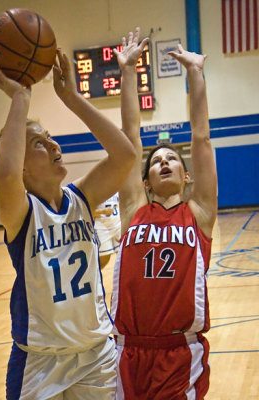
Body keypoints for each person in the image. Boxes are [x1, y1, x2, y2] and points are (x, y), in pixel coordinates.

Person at [0, 38, 146, 399]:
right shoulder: (21, 213)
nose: (55, 146)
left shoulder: (81, 198)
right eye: (40, 143)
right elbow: (6, 176)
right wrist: (19, 100)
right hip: (39, 361)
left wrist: (72, 98)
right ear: (23, 166)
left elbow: (125, 154)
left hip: (95, 354)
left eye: (50, 137)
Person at [111, 38, 217, 399]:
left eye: (172, 159)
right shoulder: (133, 211)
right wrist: (127, 72)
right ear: (145, 181)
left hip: (179, 352)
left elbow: (201, 138)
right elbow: (130, 137)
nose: (164, 162)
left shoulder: (198, 213)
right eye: (157, 161)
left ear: (186, 176)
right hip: (126, 350)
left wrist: (196, 73)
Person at [94, 193, 121, 269]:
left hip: (117, 224)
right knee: (104, 259)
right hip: (101, 227)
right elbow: (86, 210)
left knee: (123, 255)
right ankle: (95, 278)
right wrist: (102, 211)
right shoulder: (93, 188)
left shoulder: (116, 187)